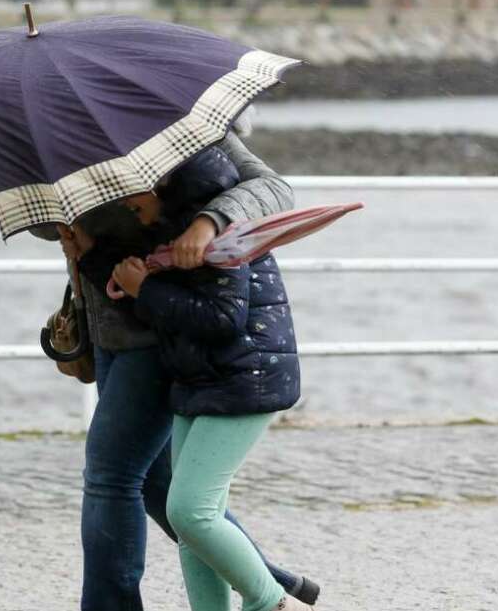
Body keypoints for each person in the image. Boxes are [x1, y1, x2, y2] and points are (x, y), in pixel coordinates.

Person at [35, 131, 318, 610]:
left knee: (114, 477)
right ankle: (271, 577)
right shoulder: (53, 122)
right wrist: (67, 223)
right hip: (112, 324)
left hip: (166, 329)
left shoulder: (180, 121)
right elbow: (39, 220)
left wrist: (209, 221)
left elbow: (270, 189)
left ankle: (266, 593)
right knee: (163, 489)